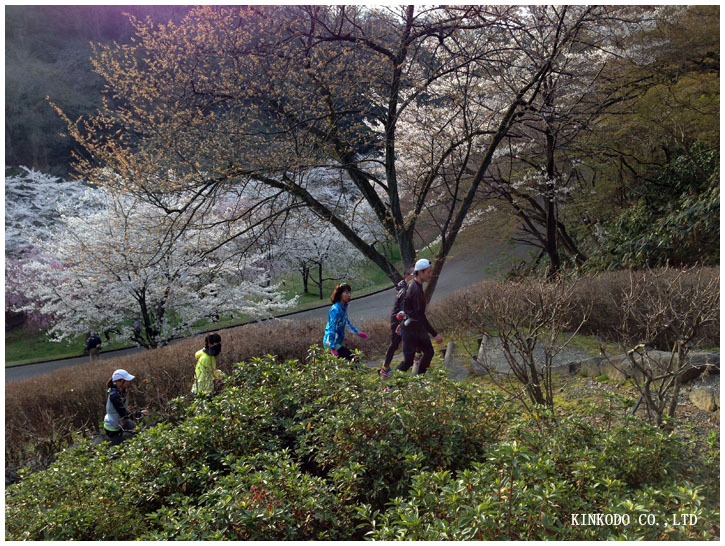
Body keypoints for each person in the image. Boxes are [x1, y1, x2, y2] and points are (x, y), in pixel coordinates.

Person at [397, 258, 443, 375]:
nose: (430, 275)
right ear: (420, 272)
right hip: (410, 329)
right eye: (428, 272)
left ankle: (420, 378)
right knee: (408, 361)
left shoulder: (414, 284)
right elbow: (420, 315)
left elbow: (406, 305)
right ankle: (389, 385)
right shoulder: (416, 289)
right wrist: (435, 334)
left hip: (416, 327)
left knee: (429, 352)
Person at [379, 264, 415, 378]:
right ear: (406, 276)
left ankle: (414, 361)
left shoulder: (407, 286)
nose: (416, 276)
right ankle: (386, 369)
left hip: (404, 320)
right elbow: (403, 309)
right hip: (398, 321)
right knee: (395, 343)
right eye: (414, 274)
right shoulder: (404, 290)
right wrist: (400, 324)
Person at [323, 282, 369, 361]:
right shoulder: (335, 310)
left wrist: (358, 333)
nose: (349, 295)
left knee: (344, 364)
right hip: (331, 342)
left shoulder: (343, 308)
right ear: (340, 294)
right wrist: (332, 347)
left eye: (350, 293)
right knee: (353, 360)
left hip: (337, 342)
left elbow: (347, 323)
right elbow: (332, 328)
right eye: (346, 293)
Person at [103, 369, 148, 446]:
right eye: (126, 380)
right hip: (113, 427)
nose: (128, 382)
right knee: (117, 451)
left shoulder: (122, 391)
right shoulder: (114, 395)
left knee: (139, 434)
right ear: (119, 381)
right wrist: (140, 413)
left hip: (122, 421)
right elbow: (124, 414)